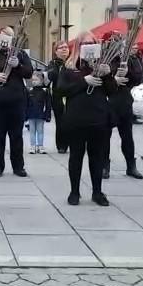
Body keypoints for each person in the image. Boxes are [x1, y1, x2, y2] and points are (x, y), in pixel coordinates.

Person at [59, 32, 116, 206]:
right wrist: (85, 81)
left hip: (98, 118)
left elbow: (111, 91)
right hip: (76, 118)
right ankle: (74, 191)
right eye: (85, 44)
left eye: (91, 43)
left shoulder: (101, 65)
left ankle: (97, 192)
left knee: (96, 157)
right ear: (78, 46)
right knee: (76, 156)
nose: (88, 46)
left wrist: (107, 75)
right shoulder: (69, 67)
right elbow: (62, 90)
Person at [0, 26, 34, 177]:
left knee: (16, 136)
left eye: (7, 36)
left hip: (16, 101)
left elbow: (29, 73)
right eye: (2, 36)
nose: (4, 39)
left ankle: (18, 166)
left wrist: (18, 65)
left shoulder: (20, 54)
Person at [103, 43, 143, 180]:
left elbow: (138, 78)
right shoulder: (106, 59)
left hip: (124, 101)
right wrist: (113, 79)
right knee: (104, 136)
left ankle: (131, 166)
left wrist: (128, 72)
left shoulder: (130, 59)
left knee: (127, 135)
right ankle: (104, 166)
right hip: (108, 101)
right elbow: (99, 77)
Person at [47, 41, 70, 153]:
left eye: (66, 47)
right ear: (56, 51)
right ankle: (61, 145)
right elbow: (51, 76)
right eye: (61, 48)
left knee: (74, 120)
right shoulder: (53, 63)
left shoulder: (74, 61)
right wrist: (62, 67)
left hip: (72, 95)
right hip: (58, 96)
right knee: (60, 121)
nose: (64, 49)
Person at [26, 72, 52, 154]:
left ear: (41, 81)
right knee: (32, 131)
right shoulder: (29, 91)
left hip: (41, 114)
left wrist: (48, 115)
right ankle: (33, 146)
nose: (34, 81)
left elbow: (48, 104)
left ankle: (40, 146)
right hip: (31, 114)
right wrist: (25, 114)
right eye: (33, 80)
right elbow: (26, 103)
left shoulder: (45, 91)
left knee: (40, 131)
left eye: (36, 80)